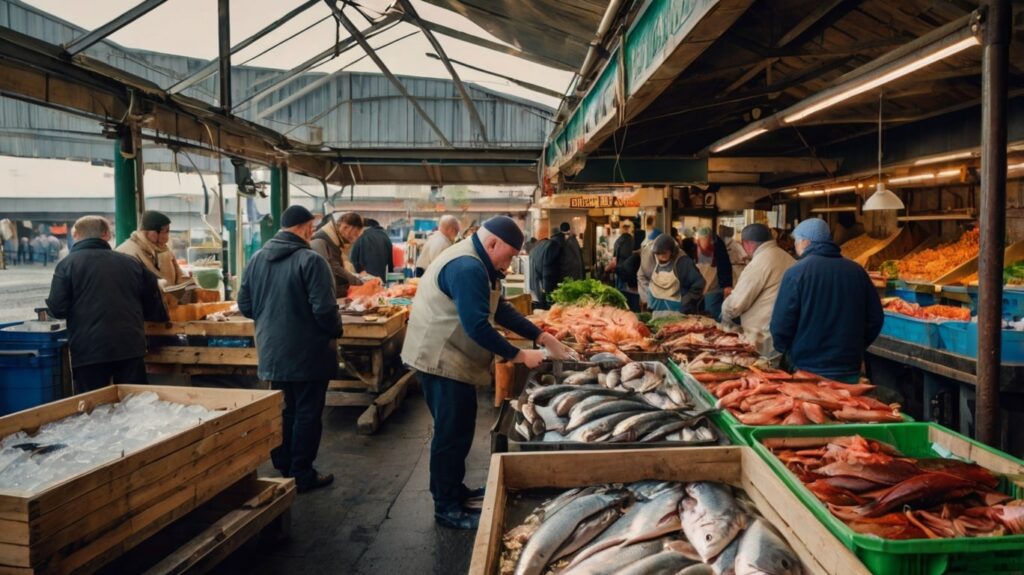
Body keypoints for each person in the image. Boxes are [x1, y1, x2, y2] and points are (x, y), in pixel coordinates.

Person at [402, 216, 575, 530]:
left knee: (459, 430)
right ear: (493, 243)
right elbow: (477, 325)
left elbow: (500, 309)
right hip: (439, 360)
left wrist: (542, 336)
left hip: (453, 358)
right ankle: (446, 507)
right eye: (508, 256)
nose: (509, 264)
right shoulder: (467, 267)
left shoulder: (481, 263)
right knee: (450, 434)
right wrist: (520, 354)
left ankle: (455, 491)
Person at [238, 205, 342, 493]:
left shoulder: (256, 259)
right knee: (308, 412)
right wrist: (335, 330)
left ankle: (283, 466)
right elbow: (325, 309)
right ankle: (302, 473)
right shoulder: (312, 261)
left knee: (286, 410)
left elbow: (245, 306)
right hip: (309, 353)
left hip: (272, 351)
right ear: (307, 227)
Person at [46, 216, 168, 392]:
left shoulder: (67, 265)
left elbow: (57, 308)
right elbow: (152, 302)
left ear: (76, 235)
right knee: (137, 406)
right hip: (130, 346)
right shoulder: (130, 263)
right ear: (106, 235)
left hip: (89, 350)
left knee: (94, 409)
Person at [770, 218, 883, 383]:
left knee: (811, 408)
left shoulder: (796, 273)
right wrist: (856, 347)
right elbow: (875, 318)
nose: (795, 245)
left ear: (806, 242)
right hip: (848, 368)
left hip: (807, 368)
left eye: (797, 241)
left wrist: (789, 351)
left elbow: (781, 324)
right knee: (845, 407)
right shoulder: (857, 271)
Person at [720, 224, 796, 362]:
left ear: (747, 244)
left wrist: (725, 323)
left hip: (762, 340)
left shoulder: (760, 262)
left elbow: (735, 306)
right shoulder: (789, 259)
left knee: (761, 379)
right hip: (787, 337)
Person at [116, 210, 188, 287]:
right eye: (166, 231)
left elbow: (180, 276)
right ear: (153, 233)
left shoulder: (163, 249)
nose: (167, 238)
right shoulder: (127, 253)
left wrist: (190, 282)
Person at [647, 234, 704, 317]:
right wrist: (650, 302)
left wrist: (684, 302)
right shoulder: (655, 262)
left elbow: (698, 284)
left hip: (679, 312)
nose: (660, 256)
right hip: (657, 311)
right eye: (658, 254)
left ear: (672, 251)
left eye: (664, 253)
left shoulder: (684, 262)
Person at [310, 212, 364, 297]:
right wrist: (357, 282)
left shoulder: (334, 239)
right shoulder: (324, 239)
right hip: (324, 294)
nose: (355, 238)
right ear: (345, 227)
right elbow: (334, 267)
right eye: (355, 233)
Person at [694, 227, 733, 321]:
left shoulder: (718, 244)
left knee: (712, 313)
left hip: (713, 285)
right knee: (697, 313)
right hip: (697, 285)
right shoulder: (693, 245)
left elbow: (724, 264)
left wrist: (726, 284)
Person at [529, 227, 561, 310]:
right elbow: (548, 270)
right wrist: (548, 293)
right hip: (545, 290)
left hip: (535, 291)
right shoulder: (552, 245)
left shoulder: (534, 250)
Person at [609, 220, 635, 295]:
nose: (626, 228)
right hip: (625, 271)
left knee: (619, 292)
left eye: (627, 227)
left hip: (619, 270)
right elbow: (627, 255)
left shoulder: (619, 240)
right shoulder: (629, 239)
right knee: (623, 294)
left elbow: (615, 257)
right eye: (625, 227)